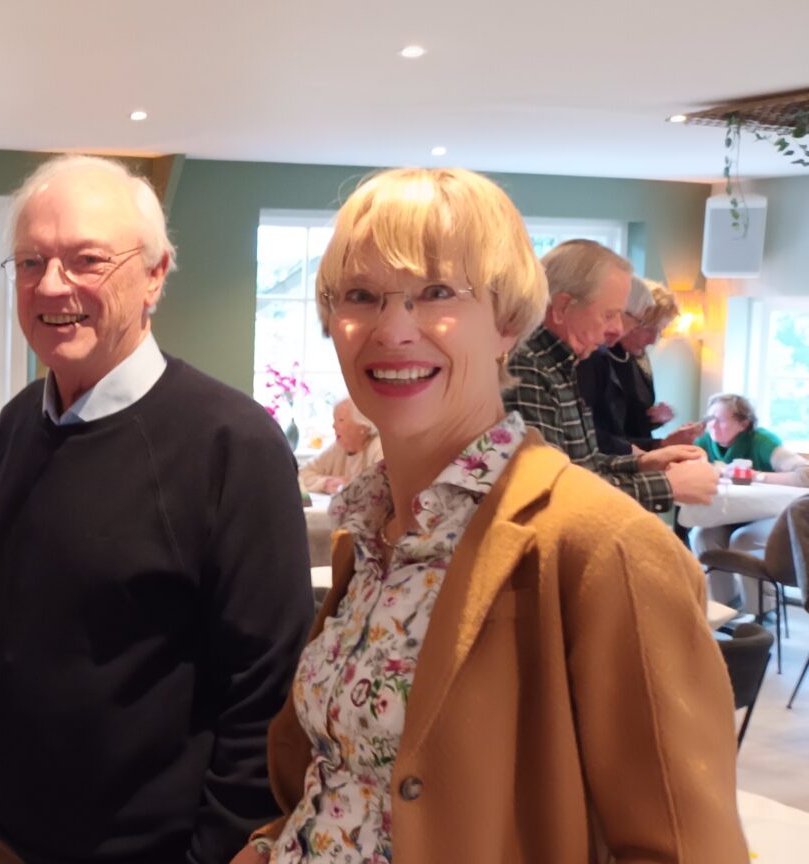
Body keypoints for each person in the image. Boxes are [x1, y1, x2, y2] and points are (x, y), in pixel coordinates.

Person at [237, 167, 745, 864]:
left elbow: (686, 848)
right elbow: (343, 781)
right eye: (361, 296)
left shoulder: (600, 548)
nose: (393, 329)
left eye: (437, 293)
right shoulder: (374, 535)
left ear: (508, 322)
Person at [0, 155, 313, 864]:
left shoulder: (234, 446)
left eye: (86, 259)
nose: (51, 285)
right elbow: (5, 641)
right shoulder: (16, 427)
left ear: (155, 274)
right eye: (31, 261)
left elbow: (267, 694)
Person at [502, 239, 716, 513]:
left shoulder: (560, 363)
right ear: (562, 307)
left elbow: (582, 464)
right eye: (609, 315)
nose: (617, 329)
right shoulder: (527, 368)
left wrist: (644, 462)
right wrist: (668, 485)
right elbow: (551, 492)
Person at [692, 392, 809, 606]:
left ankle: (763, 608)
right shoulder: (704, 443)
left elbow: (805, 475)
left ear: (743, 424)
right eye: (709, 419)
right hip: (731, 515)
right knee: (702, 536)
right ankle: (726, 607)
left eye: (720, 420)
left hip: (771, 515)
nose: (712, 426)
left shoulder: (762, 441)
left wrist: (757, 476)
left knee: (743, 539)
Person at [576, 277, 699, 455]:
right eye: (649, 329)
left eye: (660, 331)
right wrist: (660, 445)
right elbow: (595, 435)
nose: (653, 340)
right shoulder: (592, 358)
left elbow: (628, 422)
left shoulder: (637, 358)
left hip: (633, 459)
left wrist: (653, 419)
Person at [296, 398, 382, 494]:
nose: (333, 425)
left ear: (363, 427)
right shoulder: (339, 447)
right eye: (334, 420)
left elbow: (380, 488)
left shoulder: (379, 448)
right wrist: (326, 483)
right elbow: (301, 474)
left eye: (341, 420)